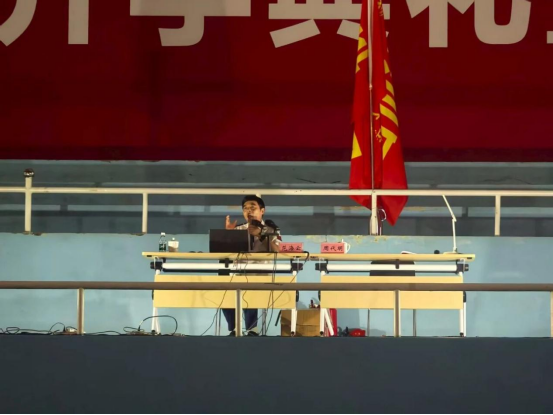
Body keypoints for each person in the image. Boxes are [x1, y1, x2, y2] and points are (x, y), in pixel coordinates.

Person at [223, 195, 281, 336]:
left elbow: (277, 250)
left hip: (261, 275)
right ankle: (234, 329)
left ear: (262, 211)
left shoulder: (272, 230)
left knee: (250, 287)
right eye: (245, 208)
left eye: (253, 208)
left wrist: (261, 234)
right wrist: (227, 235)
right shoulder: (238, 229)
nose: (249, 211)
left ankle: (252, 329)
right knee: (223, 291)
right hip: (238, 274)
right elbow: (225, 253)